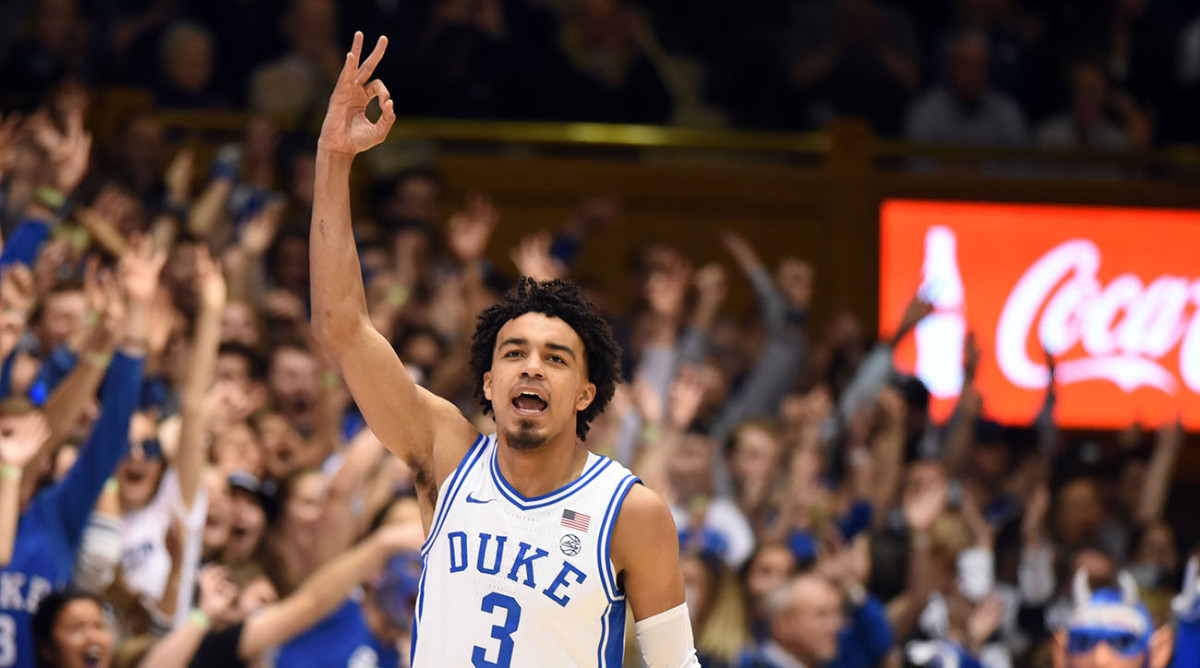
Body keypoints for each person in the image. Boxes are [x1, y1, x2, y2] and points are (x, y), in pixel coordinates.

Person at [310, 31, 698, 667]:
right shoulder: (445, 454)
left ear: (587, 393)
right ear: (488, 383)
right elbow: (341, 327)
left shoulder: (630, 511)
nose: (532, 367)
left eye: (556, 358)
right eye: (513, 353)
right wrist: (333, 157)